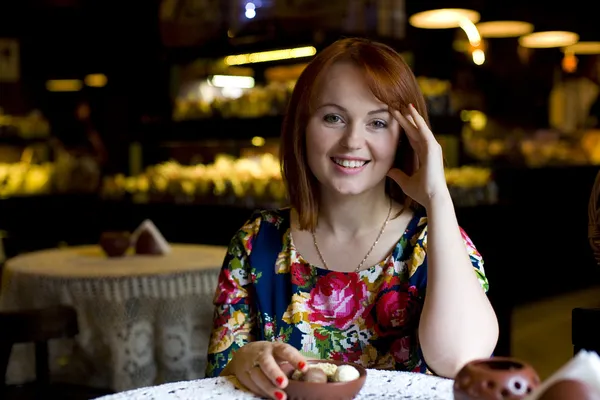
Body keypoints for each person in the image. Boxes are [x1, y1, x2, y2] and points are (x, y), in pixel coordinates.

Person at [205, 38, 499, 400]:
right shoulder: (256, 243)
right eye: (333, 117)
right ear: (302, 126)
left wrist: (438, 198)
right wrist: (245, 361)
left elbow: (460, 359)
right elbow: (215, 382)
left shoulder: (431, 242)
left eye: (377, 122)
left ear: (406, 139)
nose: (352, 141)